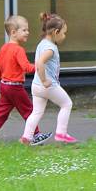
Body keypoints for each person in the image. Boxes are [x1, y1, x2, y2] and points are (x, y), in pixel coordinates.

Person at [0, 15, 52, 146]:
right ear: (13, 32)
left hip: (4, 85)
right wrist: (39, 66)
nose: (27, 32)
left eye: (27, 30)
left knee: (2, 112)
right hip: (15, 87)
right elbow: (26, 67)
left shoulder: (4, 48)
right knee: (29, 110)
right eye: (24, 30)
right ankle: (36, 135)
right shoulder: (18, 50)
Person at [20, 13, 77, 144]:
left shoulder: (42, 44)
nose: (64, 36)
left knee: (36, 112)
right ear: (56, 32)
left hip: (36, 86)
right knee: (67, 104)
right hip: (48, 86)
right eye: (63, 33)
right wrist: (45, 80)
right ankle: (61, 134)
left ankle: (27, 137)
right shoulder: (50, 48)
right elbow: (39, 63)